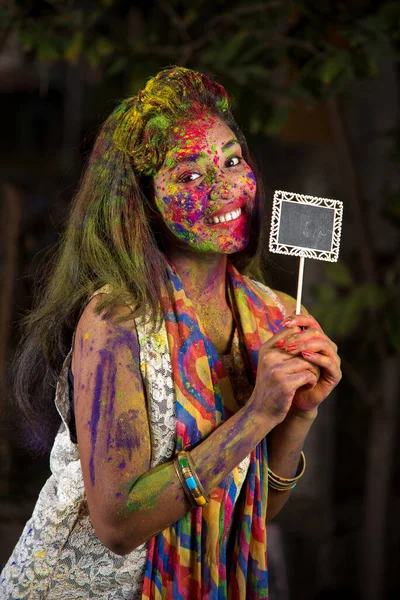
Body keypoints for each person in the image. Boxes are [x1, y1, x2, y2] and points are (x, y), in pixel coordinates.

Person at [1, 67, 341, 600]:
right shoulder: (116, 324)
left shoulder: (273, 314)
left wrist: (297, 415)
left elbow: (250, 507)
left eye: (231, 160)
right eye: (190, 176)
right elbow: (117, 527)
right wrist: (257, 414)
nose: (225, 186)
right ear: (144, 200)